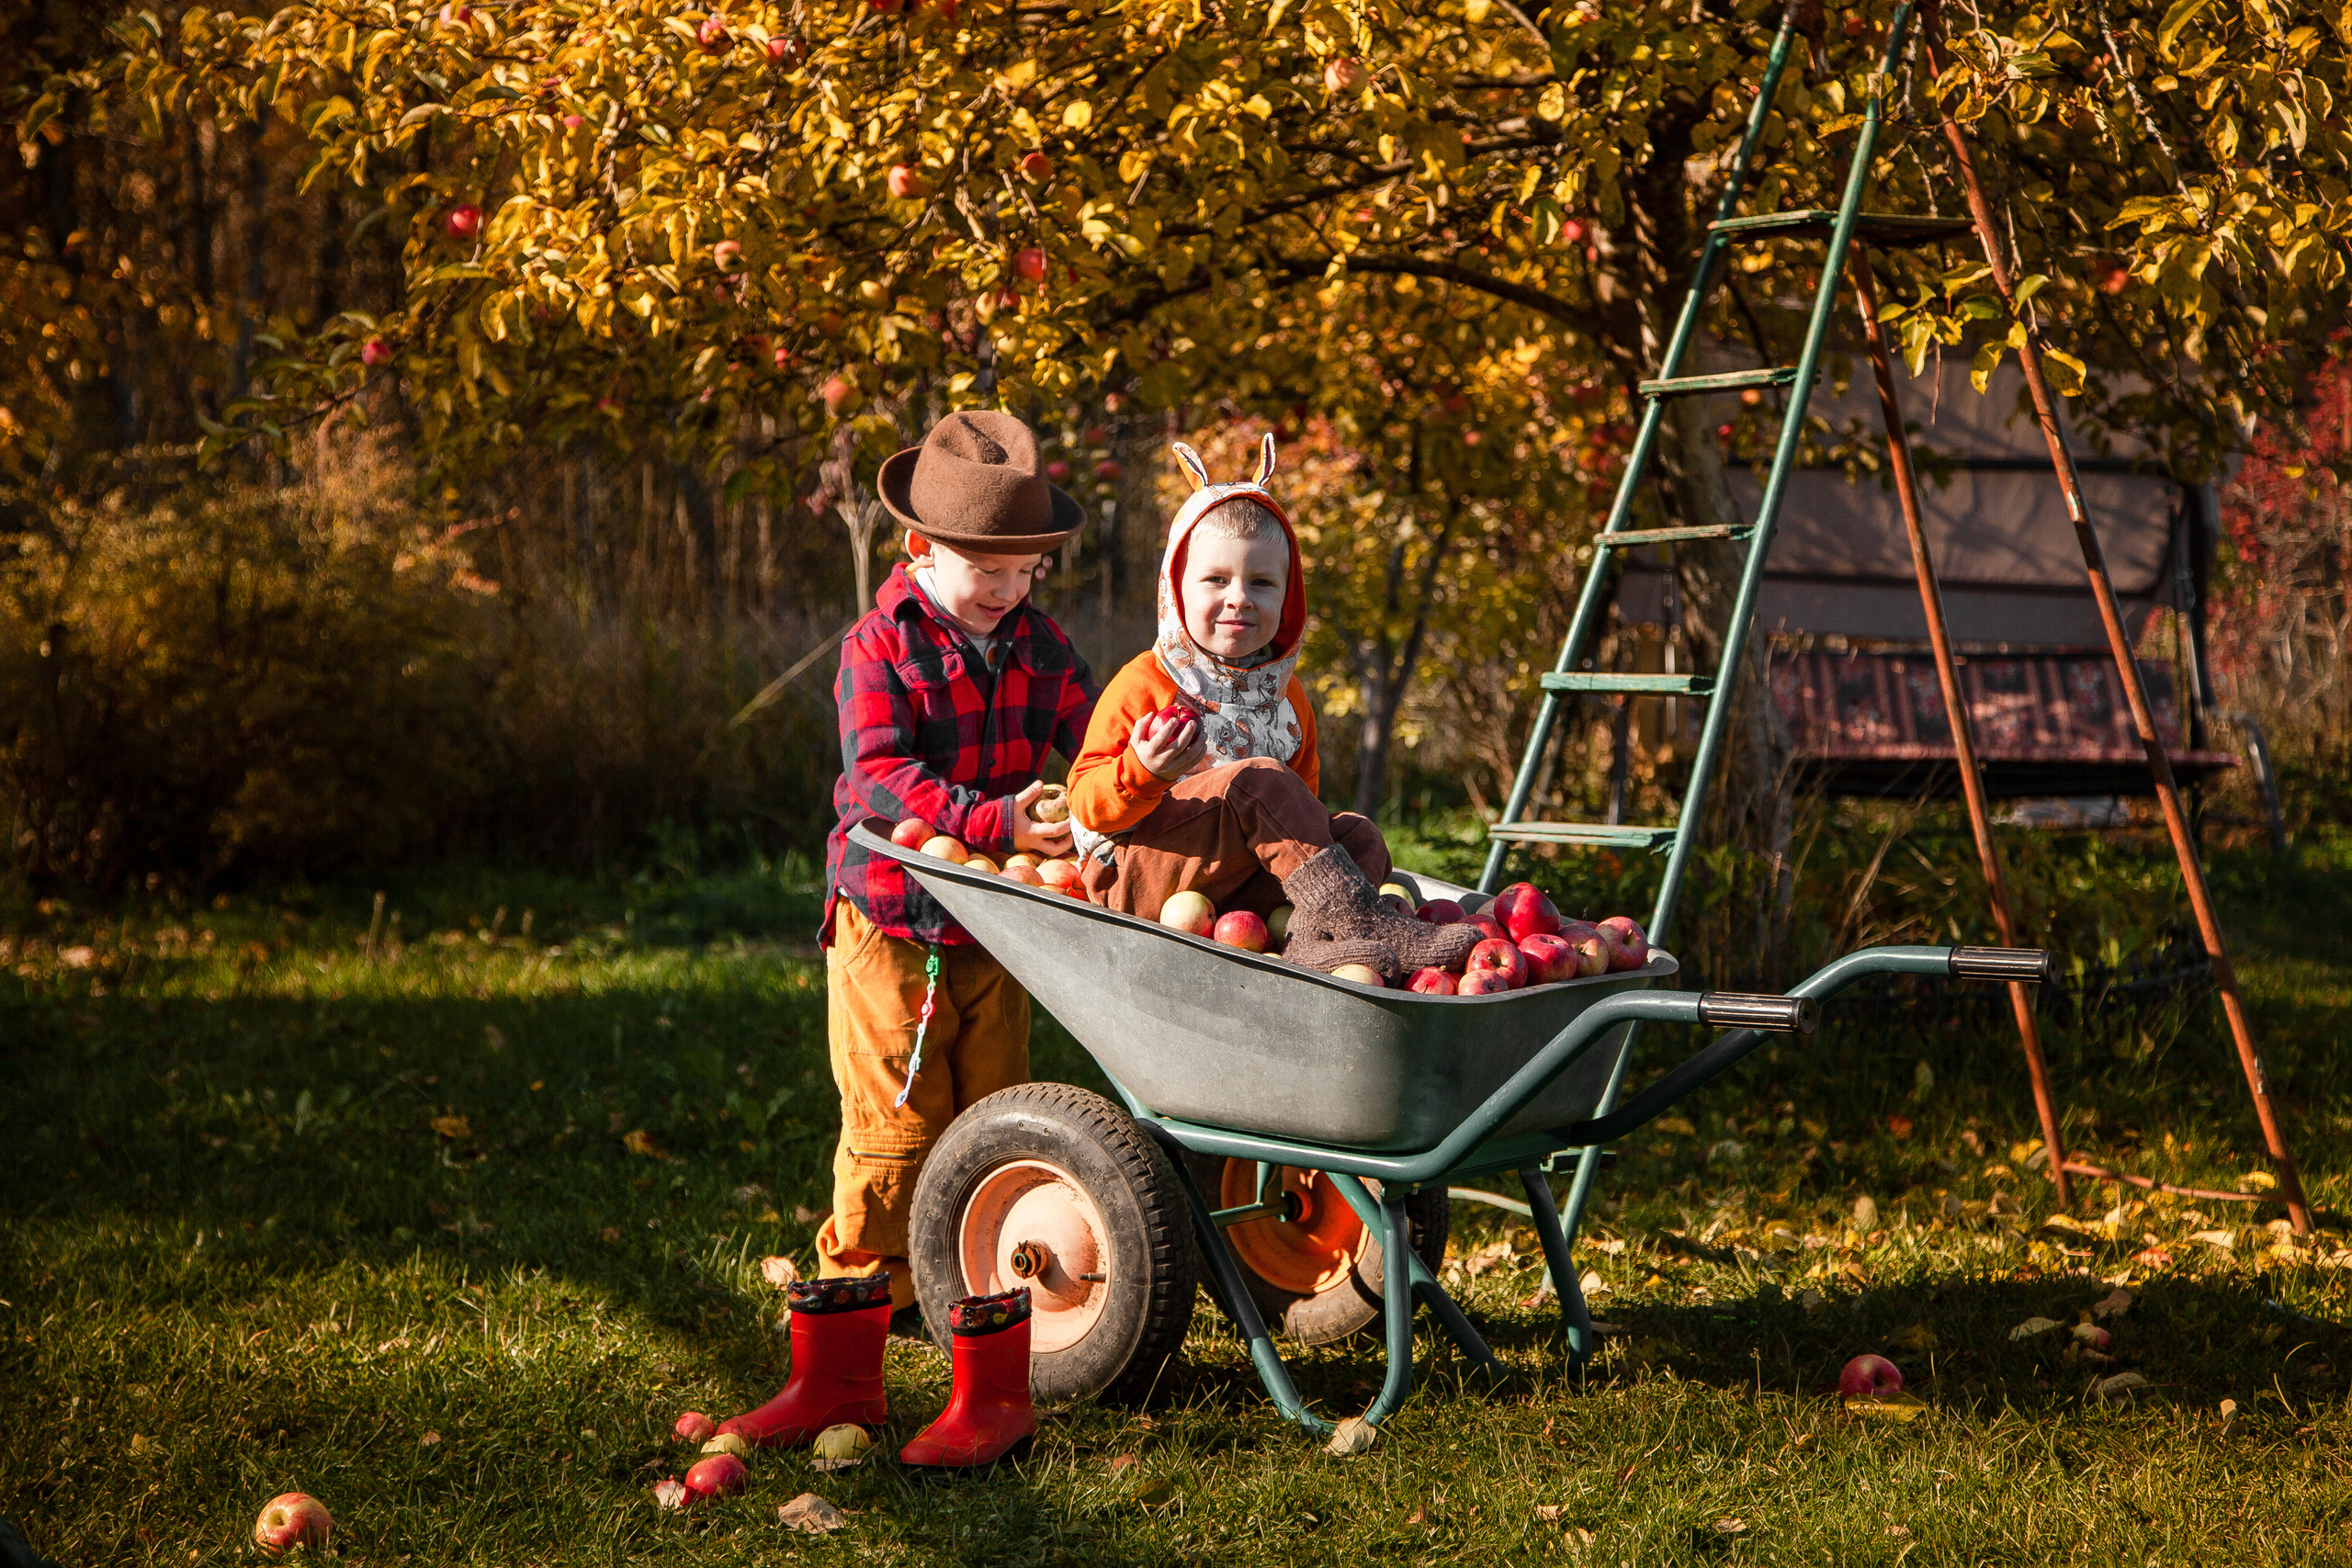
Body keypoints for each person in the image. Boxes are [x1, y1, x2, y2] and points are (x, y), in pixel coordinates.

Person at [720, 411, 1095, 1471]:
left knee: (994, 1129)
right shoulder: (879, 645)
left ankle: (986, 1382)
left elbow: (1090, 737)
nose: (1007, 590)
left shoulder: (1038, 641)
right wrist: (996, 821)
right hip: (891, 921)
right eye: (986, 568)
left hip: (1002, 927)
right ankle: (840, 1373)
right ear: (920, 548)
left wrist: (1118, 786)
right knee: (894, 1131)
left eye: (1025, 570)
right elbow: (877, 781)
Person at [1066, 434, 1477, 981]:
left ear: (1287, 598)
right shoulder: (1148, 682)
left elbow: (1300, 811)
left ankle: (1313, 947)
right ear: (1175, 588)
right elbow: (1084, 803)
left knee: (1357, 836)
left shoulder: (1288, 699)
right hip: (1135, 876)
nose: (1239, 597)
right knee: (1258, 779)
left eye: (1261, 583)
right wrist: (1143, 772)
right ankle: (1368, 929)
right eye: (1215, 579)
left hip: (1232, 891)